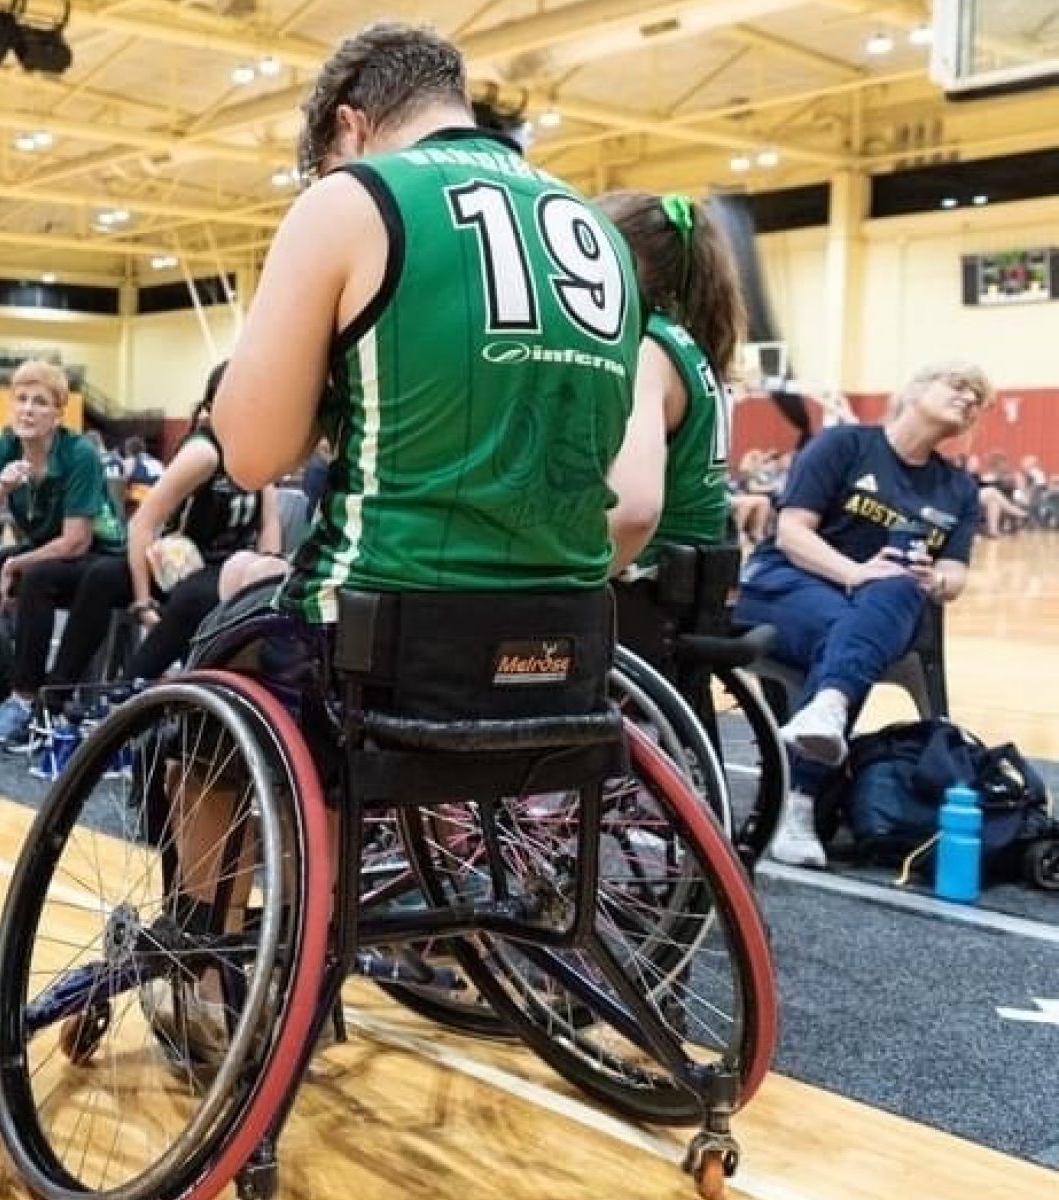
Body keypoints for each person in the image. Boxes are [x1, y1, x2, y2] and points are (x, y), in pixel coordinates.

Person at [203, 23, 649, 1053]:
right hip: (569, 650)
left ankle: (201, 954)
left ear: (350, 126)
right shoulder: (595, 231)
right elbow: (629, 496)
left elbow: (252, 456)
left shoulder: (353, 199)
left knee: (202, 653)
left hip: (385, 645)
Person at [738, 362, 989, 868]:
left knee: (891, 589)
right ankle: (802, 803)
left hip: (879, 606)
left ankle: (825, 714)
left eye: (978, 398)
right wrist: (855, 573)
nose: (969, 399)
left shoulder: (959, 489)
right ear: (915, 388)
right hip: (786, 584)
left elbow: (955, 576)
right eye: (958, 386)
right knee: (854, 629)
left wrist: (930, 578)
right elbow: (792, 533)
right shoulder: (844, 445)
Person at [0, 361, 126, 745]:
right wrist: (0, 490)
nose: (28, 409)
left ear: (58, 413)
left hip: (100, 555)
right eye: (21, 399)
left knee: (36, 576)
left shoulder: (78, 453)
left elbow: (76, 541)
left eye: (40, 402)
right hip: (45, 550)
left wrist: (16, 562)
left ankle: (24, 699)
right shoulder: (4, 448)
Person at [594, 191, 745, 689]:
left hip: (641, 601)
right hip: (686, 598)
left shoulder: (645, 348)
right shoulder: (693, 346)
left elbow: (635, 512)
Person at [52, 363, 281, 689]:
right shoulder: (204, 453)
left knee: (194, 596)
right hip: (178, 560)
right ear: (213, 406)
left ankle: (128, 692)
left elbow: (270, 522)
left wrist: (262, 574)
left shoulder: (259, 453)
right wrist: (143, 601)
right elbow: (142, 524)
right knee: (101, 577)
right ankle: (55, 699)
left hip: (228, 568)